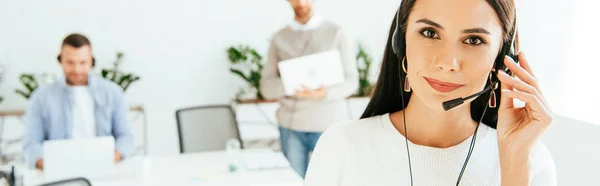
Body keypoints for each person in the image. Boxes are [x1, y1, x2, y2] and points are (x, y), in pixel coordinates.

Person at [305, 0, 557, 185]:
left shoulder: (529, 158)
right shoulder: (342, 145)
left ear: (501, 59)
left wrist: (513, 162)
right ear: (401, 43)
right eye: (430, 33)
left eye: (473, 40)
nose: (448, 62)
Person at [260, 0, 359, 178]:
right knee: (293, 180)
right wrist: (291, 83)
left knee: (331, 179)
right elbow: (266, 87)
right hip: (290, 127)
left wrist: (324, 93)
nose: (300, 2)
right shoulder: (279, 38)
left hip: (328, 124)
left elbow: (352, 81)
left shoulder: (336, 32)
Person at [23, 33, 134, 170]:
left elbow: (126, 137)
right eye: (70, 62)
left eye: (82, 62)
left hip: (104, 169)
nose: (77, 70)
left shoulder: (113, 93)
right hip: (59, 172)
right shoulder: (41, 97)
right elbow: (31, 143)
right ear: (60, 60)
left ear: (91, 61)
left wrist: (112, 158)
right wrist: (50, 165)